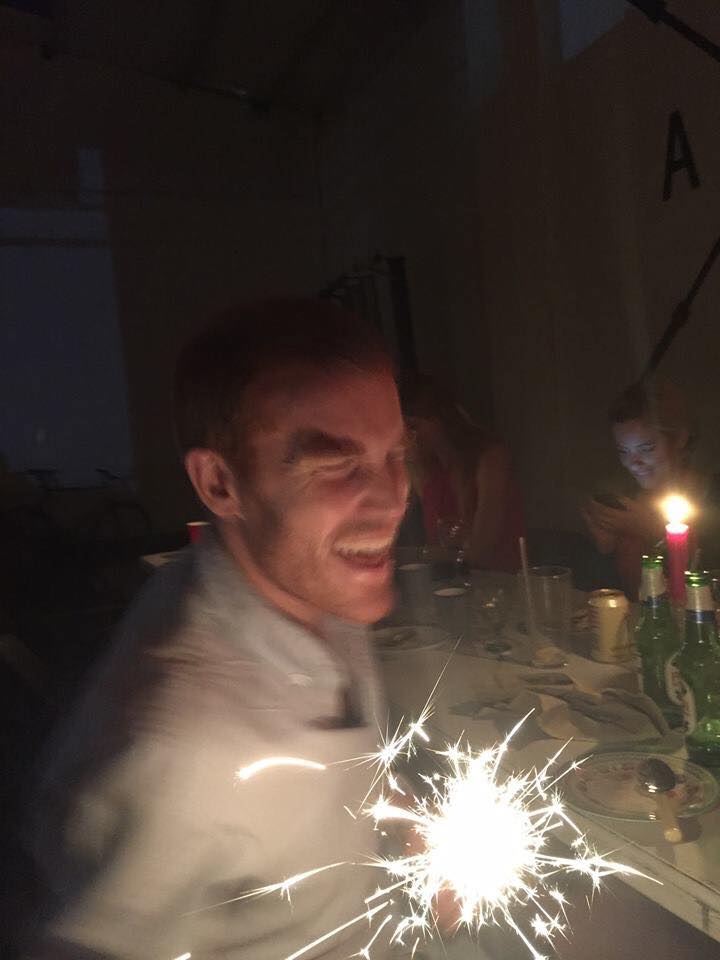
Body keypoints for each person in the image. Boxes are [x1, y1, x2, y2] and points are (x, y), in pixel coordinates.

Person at [27, 299, 409, 960]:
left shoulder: (304, 579)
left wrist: (399, 821)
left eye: (396, 454)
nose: (393, 498)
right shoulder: (180, 753)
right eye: (336, 465)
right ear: (220, 484)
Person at [583, 378, 720, 599]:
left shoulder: (713, 497)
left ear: (680, 439)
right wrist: (605, 548)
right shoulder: (625, 502)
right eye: (624, 451)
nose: (633, 463)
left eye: (646, 448)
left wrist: (653, 529)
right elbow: (614, 598)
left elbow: (708, 586)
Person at [401, 374, 525, 573]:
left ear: (441, 419)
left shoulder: (490, 458)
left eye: (414, 426)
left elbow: (482, 548)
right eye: (402, 428)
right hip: (448, 578)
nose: (407, 436)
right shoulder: (424, 468)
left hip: (498, 580)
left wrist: (420, 555)